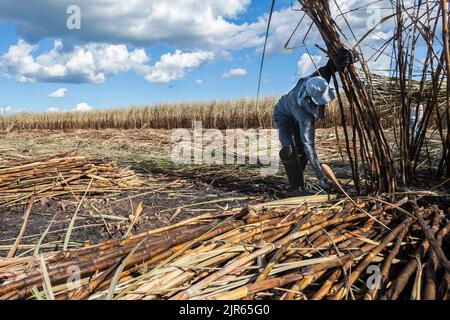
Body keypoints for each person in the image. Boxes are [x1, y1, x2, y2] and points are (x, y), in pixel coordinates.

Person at [273, 48, 355, 196]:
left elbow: (328, 69)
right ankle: (296, 188)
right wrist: (321, 177)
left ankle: (299, 179)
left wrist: (344, 58)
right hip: (283, 115)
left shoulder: (316, 82)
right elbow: (309, 146)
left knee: (301, 151)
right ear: (310, 100)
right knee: (290, 151)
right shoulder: (303, 114)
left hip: (294, 113)